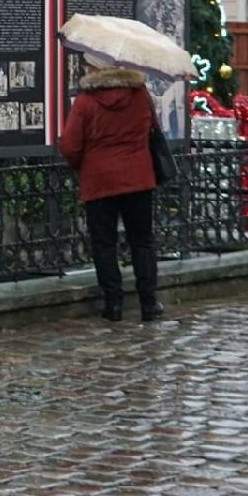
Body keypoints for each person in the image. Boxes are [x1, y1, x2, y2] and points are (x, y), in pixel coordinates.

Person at [56, 56, 164, 323]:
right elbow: (153, 129)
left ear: (94, 68)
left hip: (100, 180)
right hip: (138, 178)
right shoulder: (140, 95)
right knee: (142, 241)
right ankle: (148, 303)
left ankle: (113, 304)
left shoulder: (86, 101)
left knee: (104, 244)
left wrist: (85, 165)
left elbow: (70, 146)